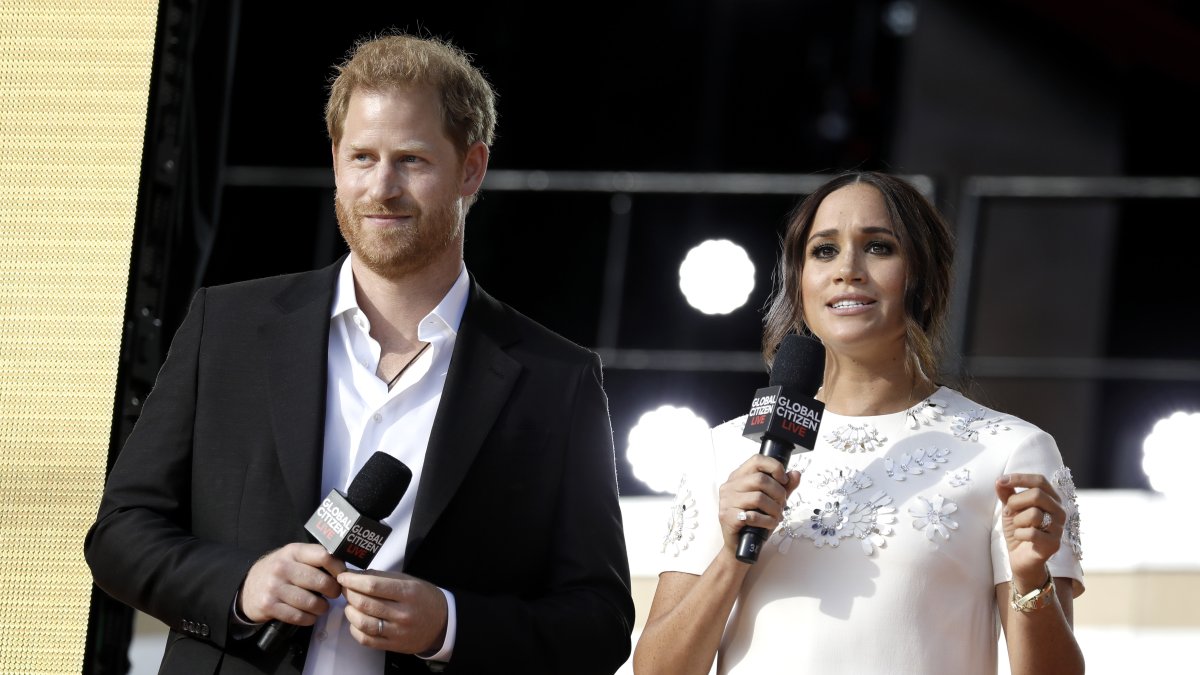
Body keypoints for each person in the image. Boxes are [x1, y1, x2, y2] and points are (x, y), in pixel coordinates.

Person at [85, 32, 634, 675]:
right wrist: (242, 584)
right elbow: (120, 532)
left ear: (472, 169)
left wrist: (448, 625)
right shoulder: (227, 327)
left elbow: (599, 621)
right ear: (336, 163)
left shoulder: (555, 379)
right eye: (362, 157)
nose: (382, 187)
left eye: (412, 160)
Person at [633, 171, 1085, 675]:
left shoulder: (1008, 452)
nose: (847, 269)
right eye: (824, 251)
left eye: (878, 247)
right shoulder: (727, 451)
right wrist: (732, 556)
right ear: (799, 282)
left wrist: (1031, 580)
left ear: (924, 278)